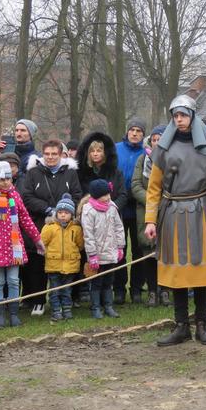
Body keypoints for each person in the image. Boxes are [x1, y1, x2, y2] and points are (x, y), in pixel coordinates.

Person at [144, 95, 206, 347]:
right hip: (173, 213)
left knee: (199, 270)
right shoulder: (163, 149)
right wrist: (150, 220)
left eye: (183, 115)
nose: (179, 119)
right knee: (177, 270)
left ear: (192, 116)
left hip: (201, 212)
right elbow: (154, 188)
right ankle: (181, 326)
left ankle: (202, 324)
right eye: (175, 115)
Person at [0, 161, 45, 328]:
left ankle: (13, 314)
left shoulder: (15, 196)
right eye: (2, 179)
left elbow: (25, 219)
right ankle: (0, 315)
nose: (6, 182)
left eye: (8, 179)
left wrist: (37, 239)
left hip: (15, 247)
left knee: (13, 280)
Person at [21, 140, 82, 315]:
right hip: (41, 223)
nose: (50, 157)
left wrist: (65, 209)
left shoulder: (70, 173)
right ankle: (38, 301)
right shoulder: (33, 173)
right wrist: (48, 209)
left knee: (64, 265)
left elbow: (77, 194)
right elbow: (27, 196)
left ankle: (66, 301)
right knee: (38, 265)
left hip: (65, 225)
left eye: (54, 154)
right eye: (47, 154)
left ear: (61, 154)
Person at [75, 131, 127, 307]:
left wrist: (112, 208)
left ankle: (117, 290)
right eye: (92, 151)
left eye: (99, 150)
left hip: (112, 218)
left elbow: (122, 194)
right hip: (90, 218)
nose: (96, 154)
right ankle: (89, 291)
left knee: (115, 256)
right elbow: (80, 194)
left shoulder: (115, 172)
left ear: (105, 153)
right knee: (90, 253)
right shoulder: (82, 173)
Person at [132, 125, 169, 307]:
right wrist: (152, 201)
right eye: (154, 139)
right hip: (145, 211)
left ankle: (165, 291)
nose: (156, 143)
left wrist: (162, 202)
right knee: (148, 253)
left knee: (165, 253)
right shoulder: (142, 159)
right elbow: (136, 184)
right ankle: (152, 291)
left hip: (167, 209)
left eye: (160, 139)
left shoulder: (170, 157)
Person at [81, 179, 125, 319]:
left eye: (108, 194)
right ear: (96, 196)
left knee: (108, 281)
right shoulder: (89, 211)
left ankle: (108, 306)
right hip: (97, 255)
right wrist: (92, 255)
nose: (108, 197)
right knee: (96, 282)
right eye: (104, 195)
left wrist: (120, 247)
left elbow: (119, 227)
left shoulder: (112, 207)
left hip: (110, 252)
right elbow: (88, 235)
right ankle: (95, 307)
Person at [115, 118, 147, 304]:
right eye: (132, 130)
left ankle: (136, 288)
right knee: (120, 249)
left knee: (139, 249)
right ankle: (118, 288)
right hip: (118, 207)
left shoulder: (146, 152)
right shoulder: (116, 149)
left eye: (139, 130)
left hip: (139, 208)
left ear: (143, 134)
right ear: (127, 132)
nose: (134, 133)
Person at [42, 193, 84, 321]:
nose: (63, 215)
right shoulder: (50, 227)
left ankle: (66, 309)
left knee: (66, 290)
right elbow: (42, 242)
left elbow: (80, 244)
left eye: (66, 212)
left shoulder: (76, 229)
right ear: (56, 213)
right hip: (53, 265)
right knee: (54, 290)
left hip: (70, 265)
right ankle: (56, 310)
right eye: (60, 212)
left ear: (71, 215)